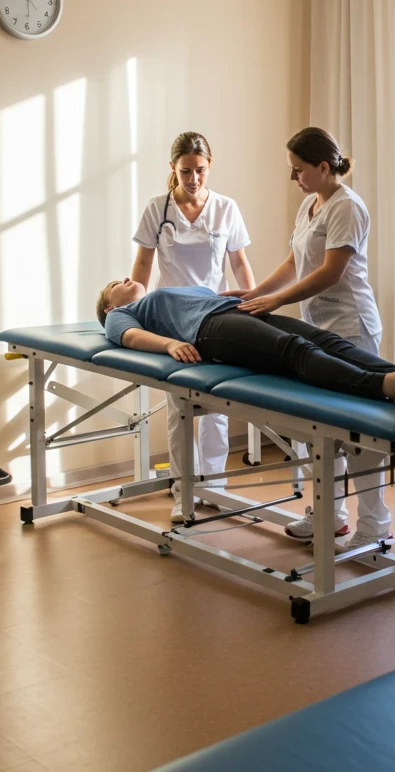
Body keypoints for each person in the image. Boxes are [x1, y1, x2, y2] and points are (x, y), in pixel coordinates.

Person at [221, 127, 391, 550]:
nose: (293, 178)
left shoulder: (347, 208)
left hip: (352, 326)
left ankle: (375, 525)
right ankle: (329, 516)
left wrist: (275, 301)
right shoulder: (309, 206)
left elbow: (331, 272)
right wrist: (256, 292)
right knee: (317, 428)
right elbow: (296, 263)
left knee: (358, 433)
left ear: (323, 166)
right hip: (317, 328)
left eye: (299, 170)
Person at [127, 132, 255, 524]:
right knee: (178, 408)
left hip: (215, 317)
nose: (193, 178)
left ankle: (215, 487)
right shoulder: (157, 208)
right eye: (186, 171)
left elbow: (238, 263)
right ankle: (184, 491)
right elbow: (144, 267)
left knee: (217, 405)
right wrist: (133, 310)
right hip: (170, 318)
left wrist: (253, 303)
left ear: (209, 166)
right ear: (173, 169)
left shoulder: (225, 208)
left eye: (200, 170)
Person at [95, 282, 395, 410]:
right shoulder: (121, 314)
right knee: (294, 350)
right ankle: (385, 387)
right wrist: (170, 344)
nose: (127, 279)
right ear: (110, 305)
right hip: (208, 330)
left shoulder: (164, 293)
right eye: (117, 283)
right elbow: (127, 337)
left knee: (323, 339)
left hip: (235, 311)